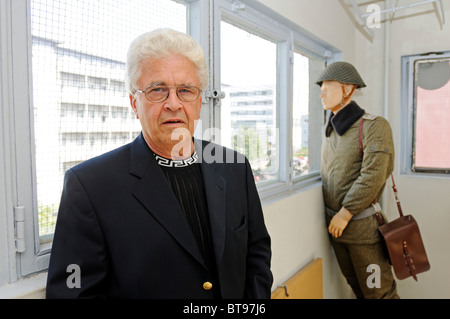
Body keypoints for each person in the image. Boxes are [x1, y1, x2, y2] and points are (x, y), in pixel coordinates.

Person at [46, 28, 273, 299]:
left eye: (186, 90)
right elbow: (73, 291)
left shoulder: (235, 167)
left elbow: (256, 253)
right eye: (158, 90)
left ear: (199, 103)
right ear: (134, 103)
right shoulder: (90, 186)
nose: (173, 104)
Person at [316, 61, 399, 299]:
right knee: (357, 287)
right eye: (320, 87)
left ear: (348, 89)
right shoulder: (331, 128)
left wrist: (346, 212)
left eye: (328, 87)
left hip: (363, 232)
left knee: (379, 293)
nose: (322, 92)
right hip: (337, 231)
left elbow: (373, 175)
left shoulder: (374, 126)